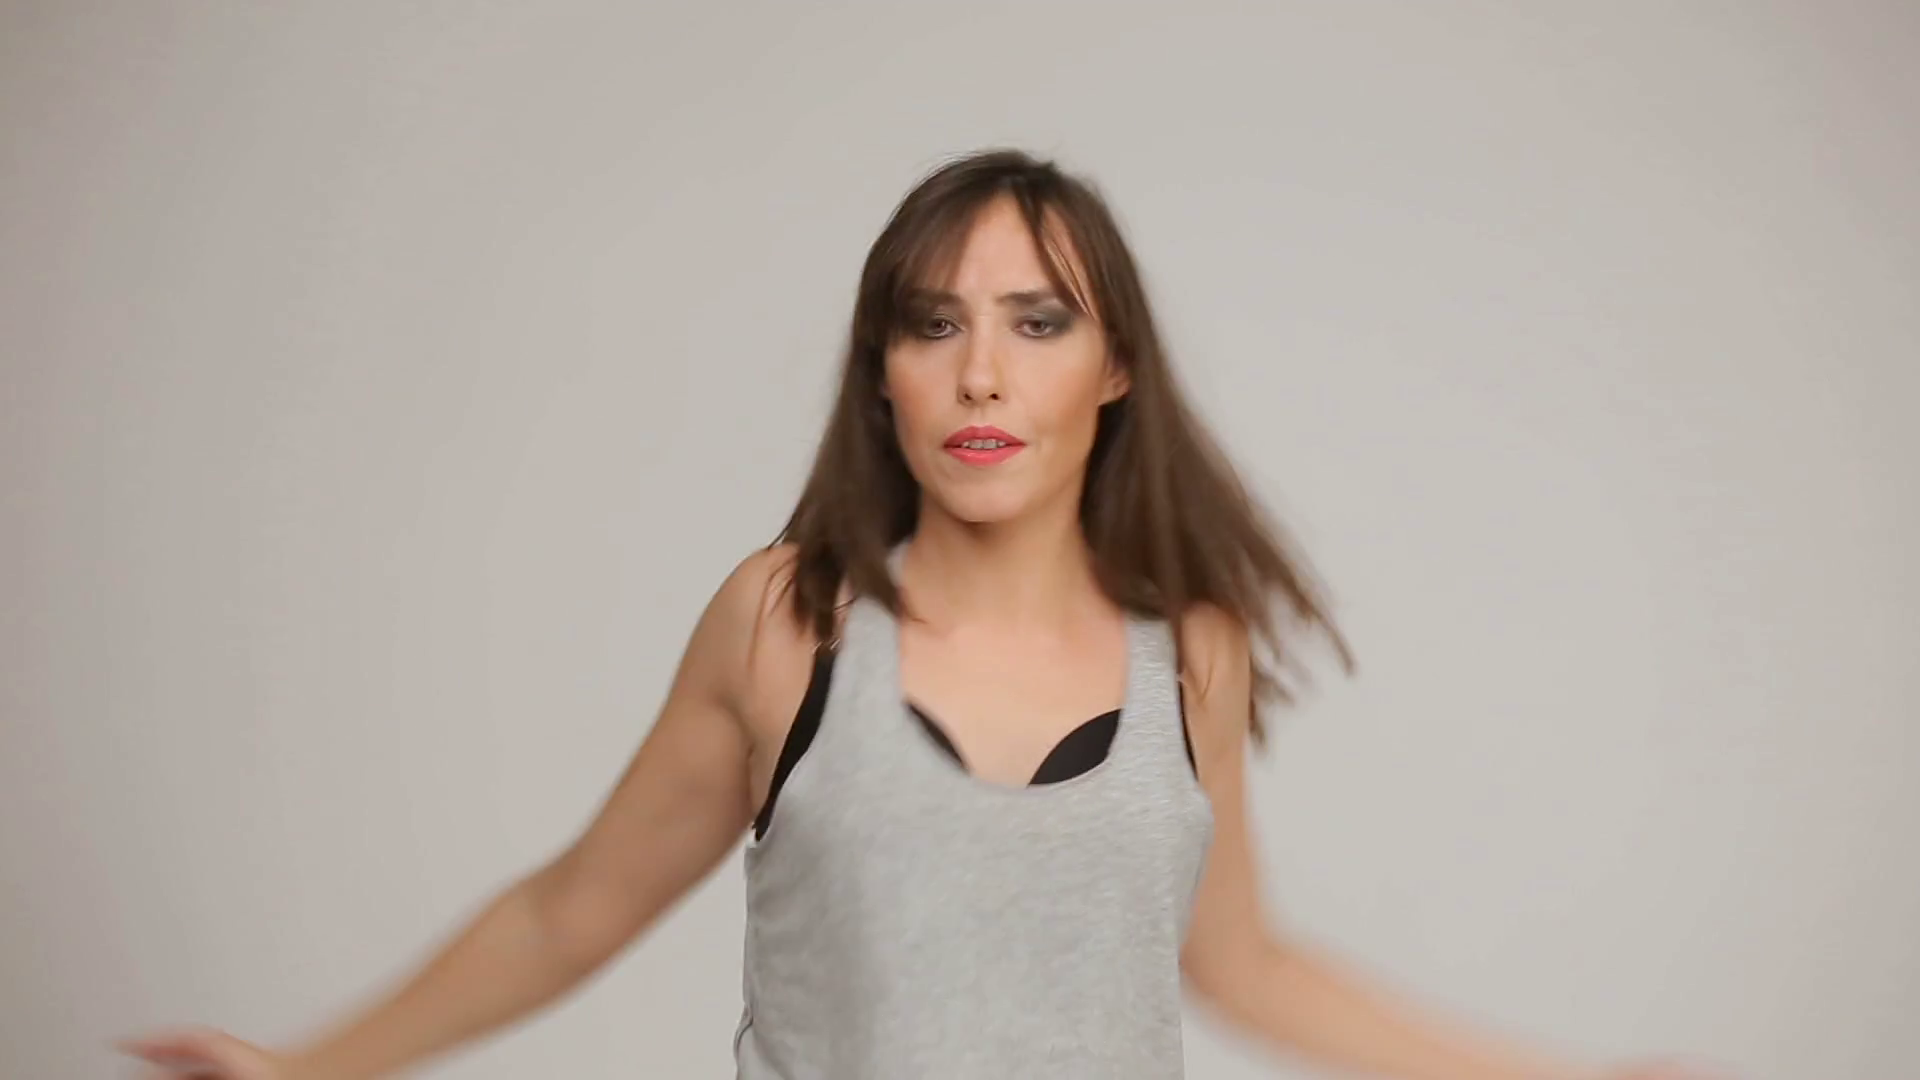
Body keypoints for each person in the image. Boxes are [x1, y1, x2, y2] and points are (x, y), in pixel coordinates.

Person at [122, 149, 1719, 1080]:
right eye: (933, 324)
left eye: (1038, 323)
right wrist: (306, 1069)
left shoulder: (1192, 655)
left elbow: (1244, 965)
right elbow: (573, 911)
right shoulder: (784, 624)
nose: (981, 375)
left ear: (1115, 367)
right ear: (880, 370)